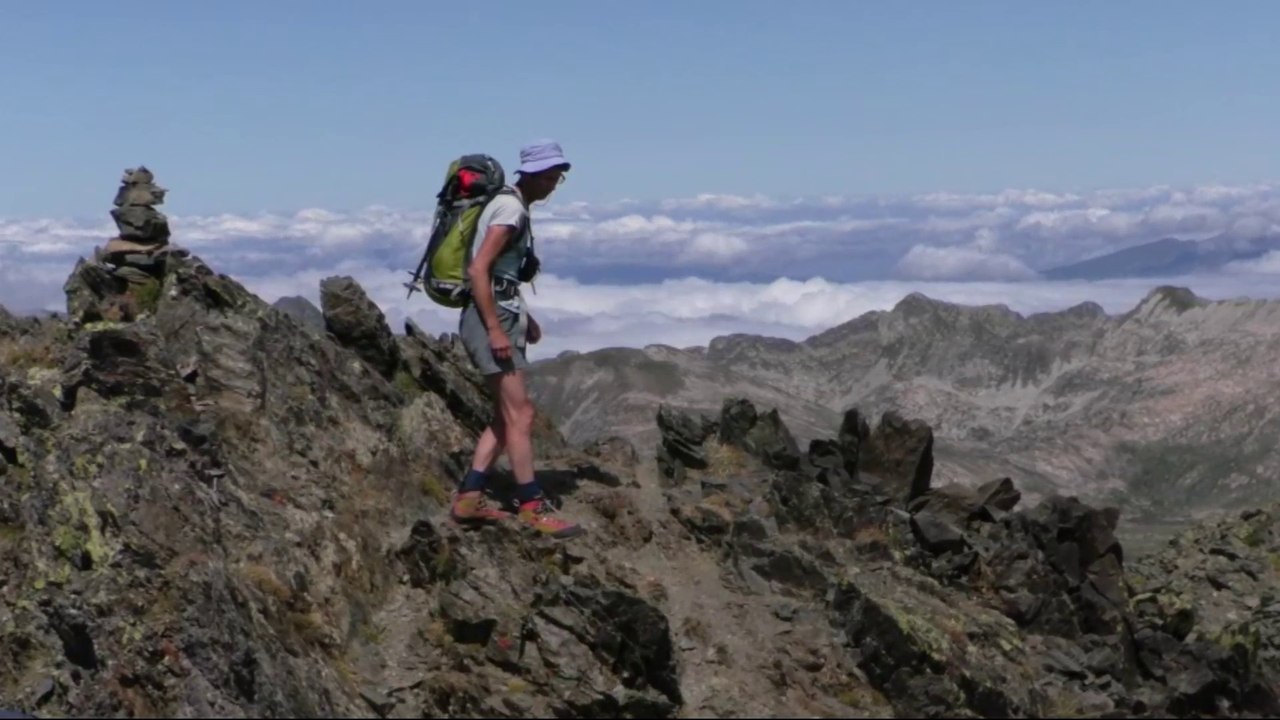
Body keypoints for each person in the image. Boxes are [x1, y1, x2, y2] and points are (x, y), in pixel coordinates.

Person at [449, 140, 584, 539]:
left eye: (557, 177)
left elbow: (500, 276)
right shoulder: (509, 208)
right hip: (492, 320)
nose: (554, 184)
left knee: (506, 417)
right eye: (549, 176)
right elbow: (479, 270)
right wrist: (495, 329)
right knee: (521, 415)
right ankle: (531, 506)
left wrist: (527, 318)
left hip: (505, 316)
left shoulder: (511, 204)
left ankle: (470, 497)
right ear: (530, 174)